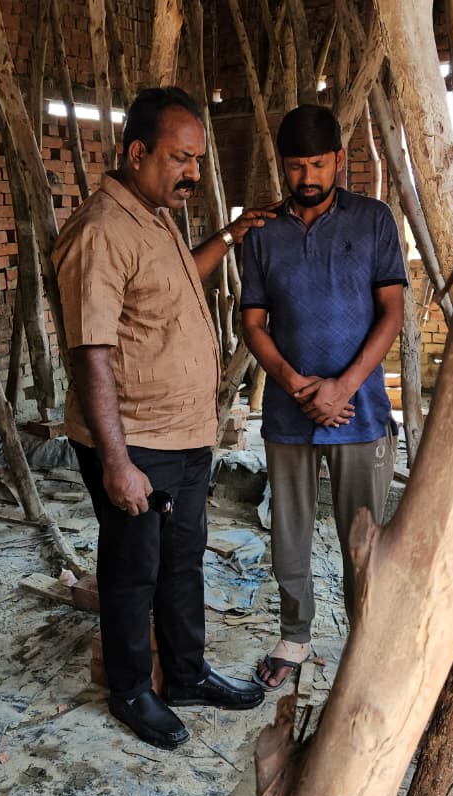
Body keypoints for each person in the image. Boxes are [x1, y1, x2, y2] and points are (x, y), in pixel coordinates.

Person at [53, 86, 273, 748]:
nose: (193, 173)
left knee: (182, 562)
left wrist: (228, 236)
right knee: (132, 573)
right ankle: (129, 690)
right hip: (136, 442)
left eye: (197, 160)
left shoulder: (152, 217)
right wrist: (117, 463)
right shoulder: (99, 231)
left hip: (181, 438)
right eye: (181, 158)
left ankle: (185, 673)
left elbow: (175, 285)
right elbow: (89, 352)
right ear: (136, 151)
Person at [241, 104, 407, 690]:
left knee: (362, 534)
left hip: (359, 411)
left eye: (317, 163)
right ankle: (295, 636)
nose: (306, 177)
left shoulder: (374, 220)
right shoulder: (262, 233)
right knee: (289, 530)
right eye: (294, 166)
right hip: (289, 412)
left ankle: (367, 641)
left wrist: (344, 386)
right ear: (281, 166)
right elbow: (253, 322)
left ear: (340, 159)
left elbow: (392, 311)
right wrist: (291, 383)